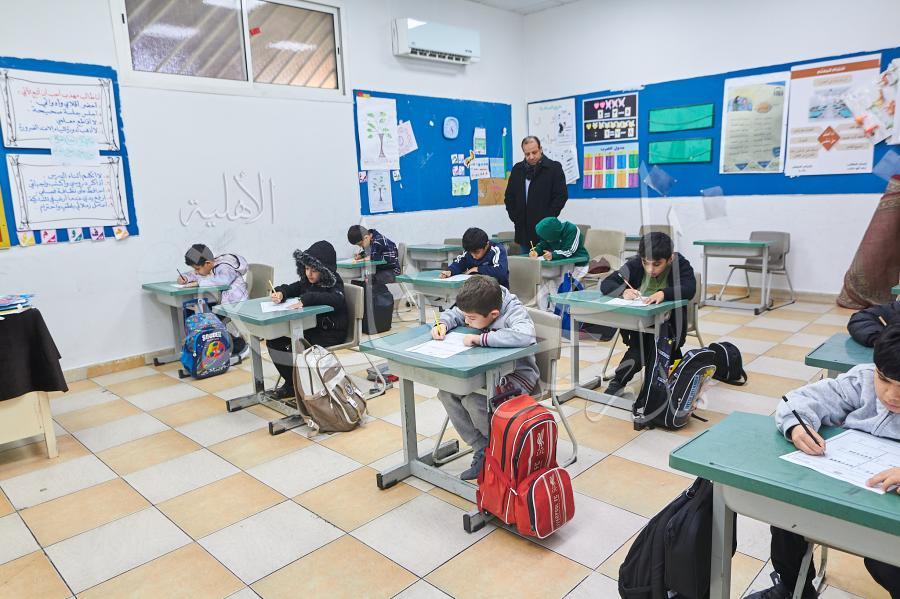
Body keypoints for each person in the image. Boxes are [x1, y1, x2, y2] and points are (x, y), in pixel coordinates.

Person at [747, 324, 900, 599]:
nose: (891, 395)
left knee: (884, 561)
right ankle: (792, 588)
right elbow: (801, 399)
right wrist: (797, 426)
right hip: (847, 485)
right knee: (789, 511)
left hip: (891, 516)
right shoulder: (863, 381)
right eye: (884, 379)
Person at [432, 276, 539, 480]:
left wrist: (481, 338)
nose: (466, 322)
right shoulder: (477, 304)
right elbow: (455, 313)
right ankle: (482, 448)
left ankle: (502, 450)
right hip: (482, 372)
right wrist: (443, 324)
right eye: (466, 316)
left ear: (494, 314)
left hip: (516, 376)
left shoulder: (513, 310)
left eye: (471, 319)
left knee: (474, 400)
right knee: (446, 392)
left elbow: (526, 335)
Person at [599, 232, 695, 396]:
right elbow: (607, 283)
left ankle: (624, 383)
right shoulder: (635, 264)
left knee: (645, 351)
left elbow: (689, 288)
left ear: (670, 259)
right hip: (640, 325)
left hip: (670, 326)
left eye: (657, 264)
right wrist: (623, 291)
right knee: (642, 350)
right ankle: (623, 383)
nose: (651, 269)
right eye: (646, 263)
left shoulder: (680, 264)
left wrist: (664, 293)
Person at [265, 241, 348, 400]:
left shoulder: (334, 281)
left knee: (296, 346)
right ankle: (293, 383)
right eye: (307, 268)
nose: (309, 274)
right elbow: (293, 288)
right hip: (311, 329)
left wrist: (307, 299)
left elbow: (337, 299)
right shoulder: (307, 281)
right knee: (274, 341)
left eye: (314, 270)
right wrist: (281, 293)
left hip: (330, 332)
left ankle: (302, 386)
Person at [179, 244, 249, 356]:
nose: (196, 272)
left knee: (207, 322)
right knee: (199, 317)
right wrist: (185, 278)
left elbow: (223, 281)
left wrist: (198, 283)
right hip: (224, 304)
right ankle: (217, 346)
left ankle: (240, 346)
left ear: (207, 263)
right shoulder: (211, 265)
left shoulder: (225, 267)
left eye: (197, 268)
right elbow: (199, 275)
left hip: (235, 305)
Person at [504, 136, 568, 249]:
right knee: (525, 260)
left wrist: (548, 218)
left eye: (534, 152)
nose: (531, 157)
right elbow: (509, 197)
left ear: (541, 149)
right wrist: (515, 217)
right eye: (527, 154)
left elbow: (561, 196)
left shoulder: (553, 168)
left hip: (545, 231)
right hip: (523, 231)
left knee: (545, 259)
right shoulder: (517, 169)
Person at [441, 227, 509, 288]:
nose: (473, 256)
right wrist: (450, 271)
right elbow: (459, 263)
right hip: (475, 289)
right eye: (470, 253)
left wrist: (477, 269)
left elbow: (501, 272)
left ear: (486, 245)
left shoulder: (497, 249)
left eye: (477, 252)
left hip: (498, 290)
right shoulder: (470, 250)